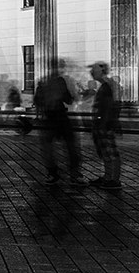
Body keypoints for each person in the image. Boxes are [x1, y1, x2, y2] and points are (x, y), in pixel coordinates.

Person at [35, 57, 85, 185]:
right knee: (71, 145)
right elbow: (68, 100)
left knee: (48, 148)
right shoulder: (61, 80)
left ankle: (52, 173)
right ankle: (74, 174)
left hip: (48, 118)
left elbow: (37, 101)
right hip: (60, 116)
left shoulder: (42, 82)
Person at [88, 61, 122, 190]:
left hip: (104, 124)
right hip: (104, 123)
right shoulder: (105, 86)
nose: (91, 73)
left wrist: (103, 123)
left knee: (109, 151)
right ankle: (109, 177)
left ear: (101, 71)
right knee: (106, 151)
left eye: (94, 70)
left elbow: (108, 107)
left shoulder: (106, 86)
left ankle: (113, 179)